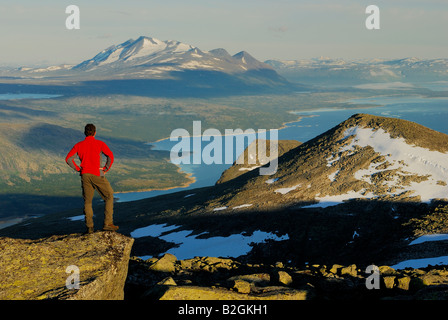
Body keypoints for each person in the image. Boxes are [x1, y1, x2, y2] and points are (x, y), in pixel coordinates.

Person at [65, 124, 119, 234]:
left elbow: (68, 159)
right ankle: (108, 224)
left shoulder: (79, 145)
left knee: (88, 202)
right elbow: (110, 156)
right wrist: (105, 168)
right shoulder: (99, 143)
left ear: (85, 132)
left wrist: (78, 169)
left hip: (85, 175)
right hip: (97, 174)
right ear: (95, 132)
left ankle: (89, 228)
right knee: (109, 196)